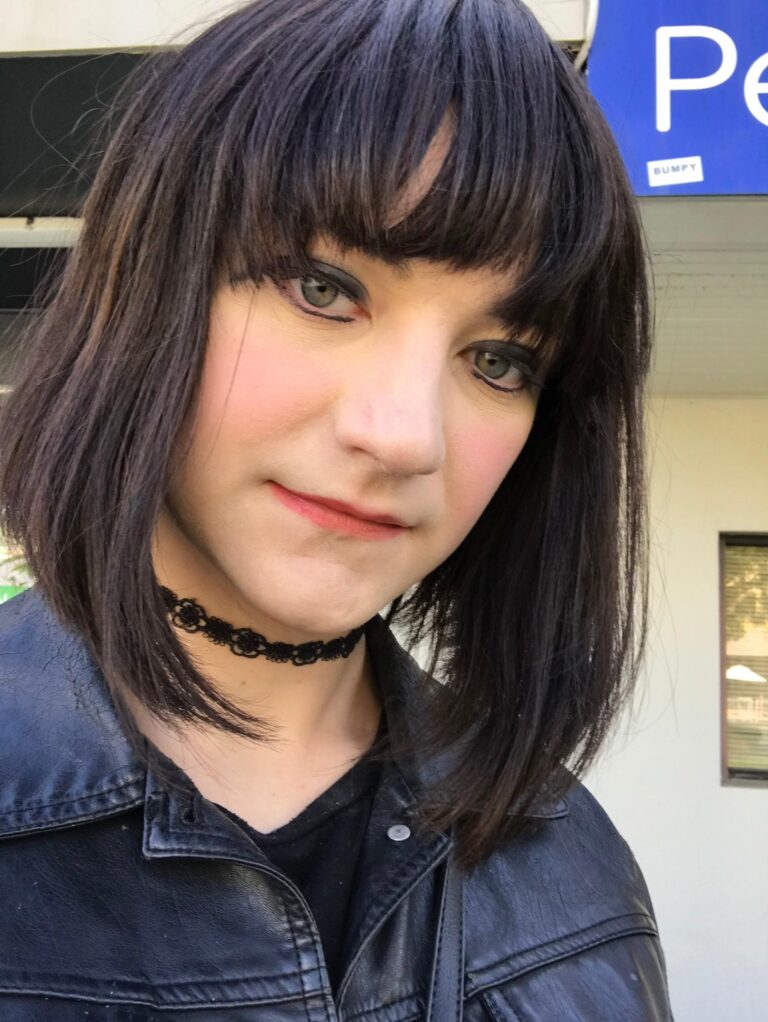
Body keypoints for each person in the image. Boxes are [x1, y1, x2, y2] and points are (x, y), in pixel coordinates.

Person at [0, 0, 673, 1018]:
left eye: (500, 360)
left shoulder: (578, 881)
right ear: (146, 286)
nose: (406, 437)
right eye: (323, 289)